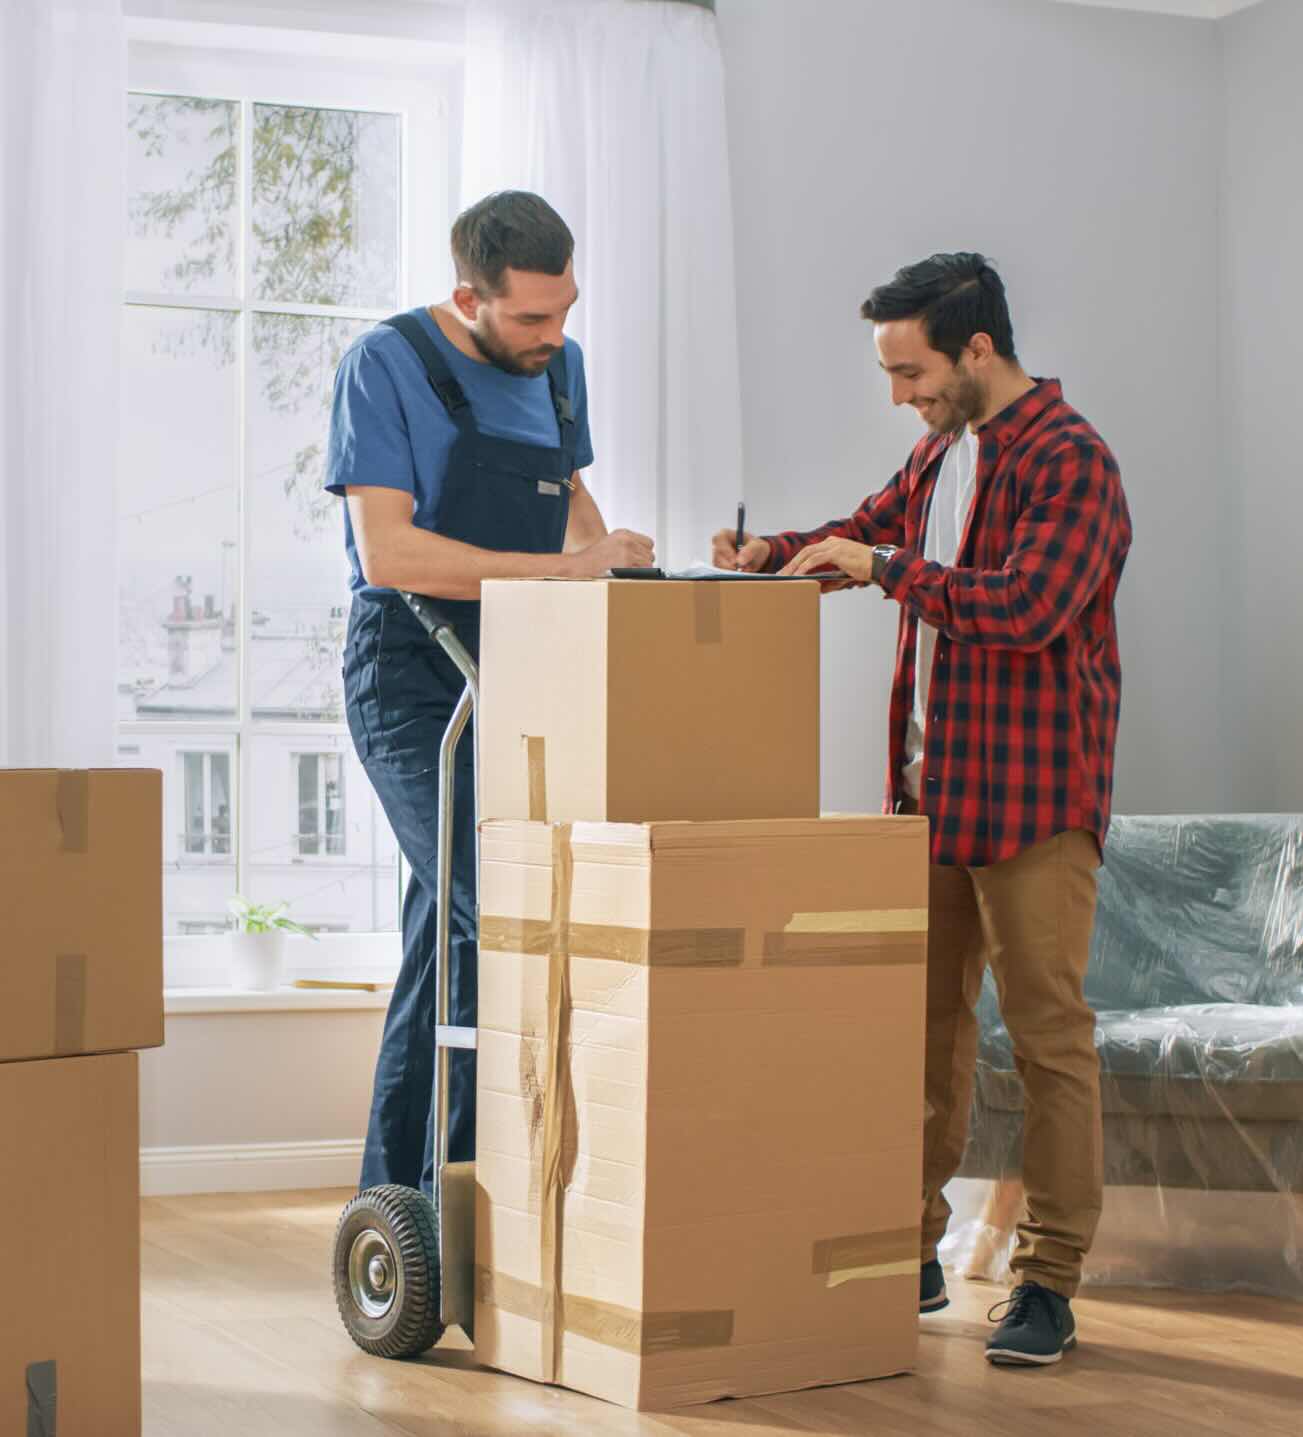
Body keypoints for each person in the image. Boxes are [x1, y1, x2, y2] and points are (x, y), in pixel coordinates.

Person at [713, 253, 1131, 1367]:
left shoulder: (1073, 462)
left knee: (1047, 1043)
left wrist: (885, 563)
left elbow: (1030, 607)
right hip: (930, 799)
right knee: (921, 1036)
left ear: (977, 349)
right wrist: (776, 555)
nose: (901, 396)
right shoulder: (940, 454)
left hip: (1036, 803)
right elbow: (864, 535)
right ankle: (908, 1254)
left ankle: (1047, 1282)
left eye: (911, 372)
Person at [326, 190, 653, 1197]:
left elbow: (570, 510)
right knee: (498, 903)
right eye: (529, 320)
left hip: (520, 663)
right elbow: (389, 551)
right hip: (410, 672)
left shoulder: (563, 368)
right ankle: (488, 1182)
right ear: (468, 296)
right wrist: (570, 572)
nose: (552, 336)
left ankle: (415, 1197)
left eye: (566, 313)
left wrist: (625, 570)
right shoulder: (386, 364)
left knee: (448, 931)